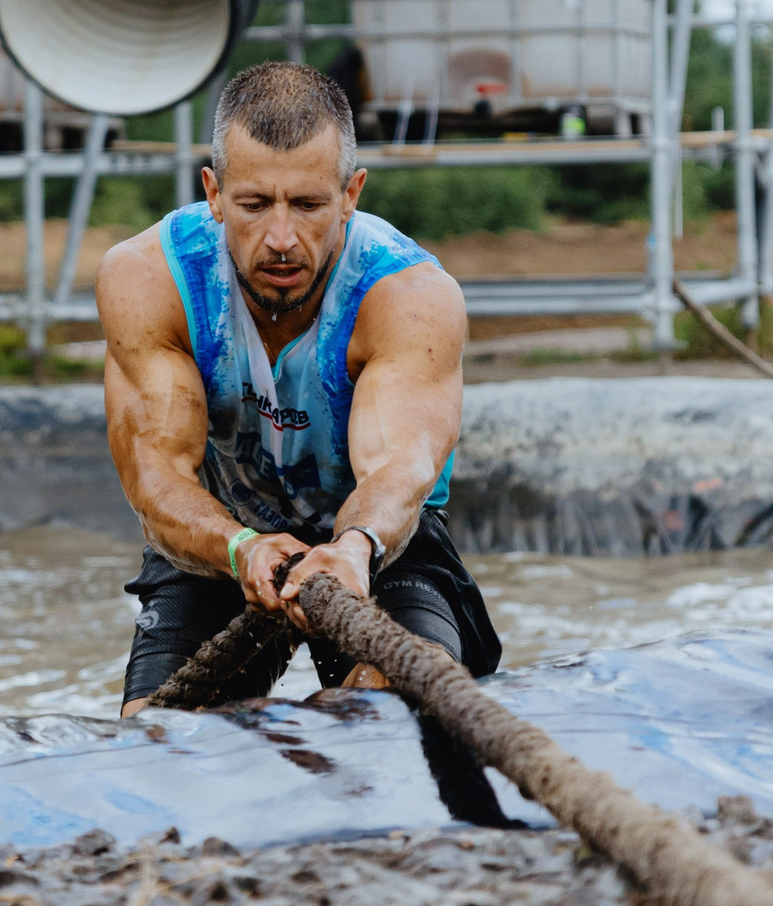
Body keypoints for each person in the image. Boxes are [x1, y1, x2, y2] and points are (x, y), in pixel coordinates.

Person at [96, 61, 500, 714]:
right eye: (254, 204)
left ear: (351, 193)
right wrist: (240, 547)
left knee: (404, 713)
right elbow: (156, 479)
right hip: (220, 533)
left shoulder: (409, 296)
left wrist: (352, 548)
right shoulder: (148, 279)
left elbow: (400, 468)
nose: (281, 239)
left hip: (378, 543)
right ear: (214, 192)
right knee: (156, 737)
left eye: (308, 204)